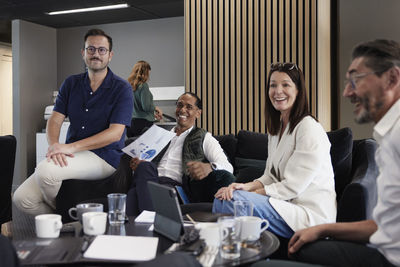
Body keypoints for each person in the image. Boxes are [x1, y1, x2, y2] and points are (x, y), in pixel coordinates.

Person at [287, 39, 400, 267]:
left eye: (356, 79)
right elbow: (386, 225)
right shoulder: (387, 137)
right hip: (382, 250)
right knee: (297, 245)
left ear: (392, 79)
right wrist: (323, 229)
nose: (347, 92)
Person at [13, 29, 133, 215]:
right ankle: (65, 221)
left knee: (46, 172)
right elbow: (54, 119)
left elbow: (115, 133)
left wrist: (71, 147)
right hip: (73, 154)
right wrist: (55, 146)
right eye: (91, 49)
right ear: (83, 53)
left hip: (104, 157)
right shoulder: (71, 83)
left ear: (110, 55)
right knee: (22, 199)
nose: (96, 54)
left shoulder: (122, 88)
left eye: (102, 50)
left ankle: (68, 215)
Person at [213, 63, 336, 239]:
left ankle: (231, 253)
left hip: (309, 216)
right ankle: (236, 252)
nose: (278, 91)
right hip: (285, 205)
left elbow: (293, 186)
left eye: (285, 85)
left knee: (232, 201)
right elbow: (270, 176)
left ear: (298, 90)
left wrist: (249, 194)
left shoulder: (309, 128)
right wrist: (245, 186)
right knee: (223, 197)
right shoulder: (277, 129)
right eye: (273, 85)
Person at [126, 92, 235, 216]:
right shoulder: (159, 136)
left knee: (134, 194)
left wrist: (210, 167)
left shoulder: (204, 137)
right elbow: (142, 167)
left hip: (173, 188)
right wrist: (136, 167)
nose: (182, 110)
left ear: (198, 113)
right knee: (144, 167)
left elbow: (228, 167)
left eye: (189, 107)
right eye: (179, 105)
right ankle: (150, 220)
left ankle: (143, 221)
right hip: (148, 180)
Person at [126, 60, 162, 137]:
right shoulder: (143, 86)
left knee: (132, 147)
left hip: (130, 123)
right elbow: (145, 107)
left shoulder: (128, 86)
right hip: (143, 124)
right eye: (148, 72)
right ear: (145, 72)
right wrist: (155, 108)